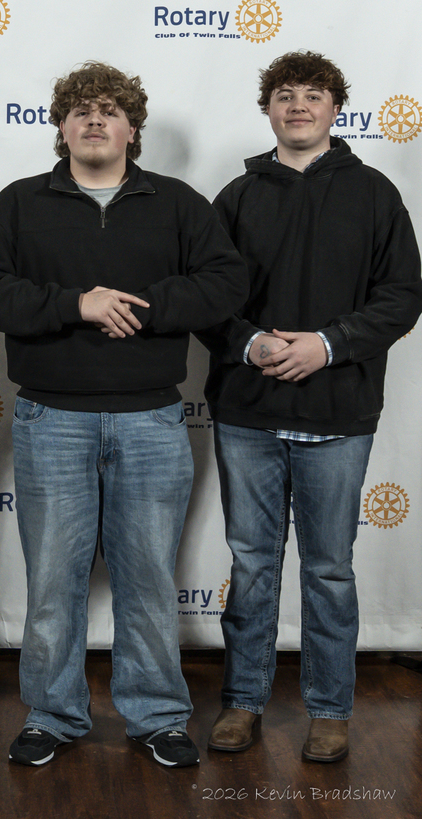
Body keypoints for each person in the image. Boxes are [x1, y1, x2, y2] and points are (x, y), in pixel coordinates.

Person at [0, 62, 248, 769]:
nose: (95, 119)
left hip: (151, 419)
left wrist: (136, 308)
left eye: (110, 110)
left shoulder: (179, 203)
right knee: (53, 577)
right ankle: (54, 714)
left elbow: (225, 283)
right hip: (50, 418)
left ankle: (157, 715)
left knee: (148, 576)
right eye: (81, 110)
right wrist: (75, 304)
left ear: (132, 129)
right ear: (60, 128)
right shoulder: (23, 204)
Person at [202, 51, 422, 763]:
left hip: (339, 413)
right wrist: (253, 342)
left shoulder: (375, 194)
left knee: (330, 568)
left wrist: (328, 345)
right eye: (285, 95)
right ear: (268, 108)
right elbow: (205, 298)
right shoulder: (234, 198)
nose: (299, 106)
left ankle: (330, 708)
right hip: (247, 413)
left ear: (336, 109)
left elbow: (401, 295)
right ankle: (242, 700)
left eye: (314, 95)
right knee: (253, 563)